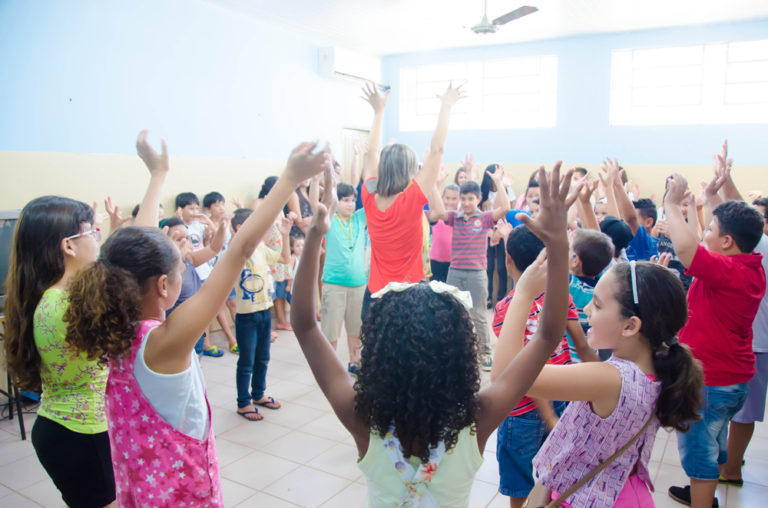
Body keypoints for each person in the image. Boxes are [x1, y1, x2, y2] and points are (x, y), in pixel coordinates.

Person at [292, 162, 579, 507]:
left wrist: (314, 235)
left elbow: (305, 326)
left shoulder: (363, 420)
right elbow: (547, 336)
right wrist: (557, 244)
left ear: (382, 358)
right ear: (459, 356)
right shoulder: (477, 419)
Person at [63, 140, 328, 505]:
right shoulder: (165, 343)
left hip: (139, 490)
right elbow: (239, 250)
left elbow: (131, 248)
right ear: (163, 285)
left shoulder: (114, 326)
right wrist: (289, 179)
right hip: (180, 495)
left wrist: (158, 175)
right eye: (181, 263)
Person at [2, 129, 168, 508]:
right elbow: (139, 251)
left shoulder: (53, 295)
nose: (98, 238)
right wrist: (158, 175)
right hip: (82, 438)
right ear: (69, 246)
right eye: (91, 231)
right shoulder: (66, 305)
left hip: (65, 430)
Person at [497, 255, 703, 507]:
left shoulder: (609, 379)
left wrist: (522, 295)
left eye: (597, 304)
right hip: (625, 494)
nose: (586, 310)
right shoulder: (657, 365)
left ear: (630, 326)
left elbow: (508, 377)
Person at [663, 169, 765, 508]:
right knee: (714, 441)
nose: (704, 232)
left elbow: (687, 249)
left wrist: (672, 205)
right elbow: (699, 245)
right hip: (732, 381)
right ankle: (705, 492)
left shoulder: (729, 272)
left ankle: (703, 498)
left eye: (711, 228)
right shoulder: (748, 267)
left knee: (699, 452)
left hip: (712, 382)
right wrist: (705, 202)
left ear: (727, 242)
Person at [359, 81, 461, 320]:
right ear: (409, 171)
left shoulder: (369, 196)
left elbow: (371, 153)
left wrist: (378, 112)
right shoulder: (412, 199)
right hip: (408, 297)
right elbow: (437, 150)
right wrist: (446, 106)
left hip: (376, 296)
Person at [442, 174, 510, 371]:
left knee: (478, 313)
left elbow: (505, 208)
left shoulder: (485, 218)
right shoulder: (455, 217)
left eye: (470, 199)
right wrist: (436, 182)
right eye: (463, 199)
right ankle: (455, 350)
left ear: (479, 199)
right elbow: (438, 212)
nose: (466, 203)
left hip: (477, 273)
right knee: (452, 312)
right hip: (455, 272)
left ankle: (485, 352)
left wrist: (499, 182)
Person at [230, 207, 292, 421]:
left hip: (265, 311)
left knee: (263, 357)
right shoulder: (237, 250)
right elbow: (240, 245)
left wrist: (285, 235)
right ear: (241, 228)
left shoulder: (261, 248)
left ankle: (258, 394)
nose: (263, 228)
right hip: (247, 316)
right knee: (246, 361)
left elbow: (285, 259)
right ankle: (243, 403)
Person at [320, 182, 368, 374]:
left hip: (358, 284)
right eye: (345, 200)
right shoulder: (330, 220)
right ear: (336, 202)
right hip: (334, 284)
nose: (350, 204)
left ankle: (354, 362)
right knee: (331, 330)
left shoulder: (359, 218)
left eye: (353, 200)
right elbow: (321, 203)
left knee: (356, 329)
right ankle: (329, 365)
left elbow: (374, 197)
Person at [202, 191, 239, 352]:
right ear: (208, 208)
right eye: (217, 205)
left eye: (222, 204)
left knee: (233, 303)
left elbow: (230, 243)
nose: (221, 208)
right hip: (211, 270)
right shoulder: (204, 224)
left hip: (226, 268)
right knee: (217, 307)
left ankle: (241, 337)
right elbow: (208, 246)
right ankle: (230, 340)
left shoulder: (227, 223)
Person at [428, 184, 459, 282]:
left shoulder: (459, 216)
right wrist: (436, 183)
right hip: (436, 262)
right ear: (442, 198)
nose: (450, 202)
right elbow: (433, 200)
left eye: (454, 199)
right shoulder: (437, 214)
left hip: (453, 264)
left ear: (459, 200)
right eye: (447, 198)